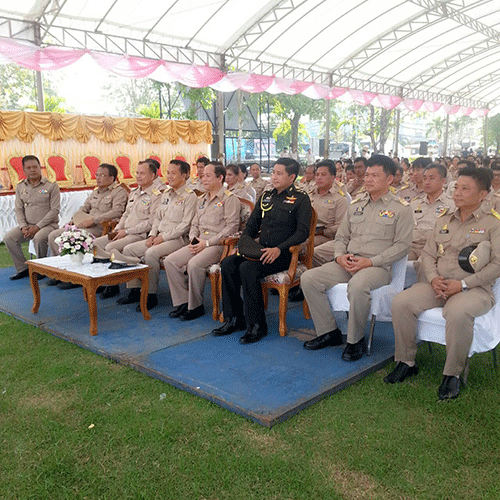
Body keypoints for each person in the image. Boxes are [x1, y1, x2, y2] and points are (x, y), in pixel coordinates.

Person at [386, 167, 500, 400]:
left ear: (482, 195)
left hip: (474, 288)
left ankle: (452, 374)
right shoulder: (443, 219)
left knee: (457, 313)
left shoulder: (493, 224)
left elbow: (497, 265)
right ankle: (406, 361)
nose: (457, 193)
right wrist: (433, 278)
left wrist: (464, 285)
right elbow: (428, 255)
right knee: (401, 302)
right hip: (437, 283)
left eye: (465, 188)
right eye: (456, 187)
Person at [300, 155, 413, 360]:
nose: (368, 179)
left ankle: (355, 340)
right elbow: (342, 236)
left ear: (389, 179)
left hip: (377, 267)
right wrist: (338, 257)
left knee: (358, 286)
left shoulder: (401, 209)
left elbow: (402, 247)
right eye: (367, 175)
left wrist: (370, 262)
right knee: (309, 278)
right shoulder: (357, 204)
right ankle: (328, 332)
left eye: (375, 176)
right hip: (348, 261)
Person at [211, 157, 312, 344]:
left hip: (283, 255)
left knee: (247, 269)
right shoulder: (266, 196)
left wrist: (278, 249)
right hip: (260, 251)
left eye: (279, 173)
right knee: (228, 263)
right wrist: (241, 247)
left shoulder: (301, 199)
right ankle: (234, 318)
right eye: (273, 172)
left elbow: (302, 233)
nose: (274, 176)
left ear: (292, 177)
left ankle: (257, 325)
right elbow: (251, 227)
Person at [117, 160, 198, 311]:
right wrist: (152, 235)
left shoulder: (190, 196)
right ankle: (135, 290)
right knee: (129, 250)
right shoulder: (166, 194)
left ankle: (150, 294)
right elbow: (157, 219)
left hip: (177, 239)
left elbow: (185, 225)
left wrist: (163, 238)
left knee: (151, 253)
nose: (169, 176)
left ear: (185, 175)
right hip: (159, 236)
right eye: (168, 173)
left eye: (174, 173)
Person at [164, 162, 241, 321]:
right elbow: (194, 223)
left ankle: (195, 306)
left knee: (194, 264)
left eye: (208, 176)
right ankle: (183, 302)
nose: (203, 179)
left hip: (217, 244)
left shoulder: (230, 199)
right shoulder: (201, 199)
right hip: (198, 241)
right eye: (202, 175)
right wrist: (193, 239)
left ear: (220, 178)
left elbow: (231, 228)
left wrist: (207, 243)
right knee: (170, 261)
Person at [46, 163, 128, 288]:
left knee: (72, 237)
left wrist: (94, 220)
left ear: (112, 178)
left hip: (100, 227)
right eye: (96, 175)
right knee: (54, 235)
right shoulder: (96, 191)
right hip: (84, 224)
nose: (98, 178)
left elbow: (117, 212)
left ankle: (76, 277)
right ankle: (62, 272)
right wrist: (74, 219)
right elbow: (84, 207)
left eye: (102, 175)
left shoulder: (119, 192)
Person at [93, 160, 162, 298]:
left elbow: (151, 222)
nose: (138, 176)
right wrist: (117, 229)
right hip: (124, 231)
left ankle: (126, 287)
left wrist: (126, 231)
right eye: (137, 173)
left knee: (112, 247)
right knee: (96, 244)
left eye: (142, 173)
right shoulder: (134, 192)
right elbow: (126, 214)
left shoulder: (156, 195)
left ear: (153, 176)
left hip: (139, 234)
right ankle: (102, 281)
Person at [4, 155, 60, 280]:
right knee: (9, 238)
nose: (32, 170)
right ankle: (23, 268)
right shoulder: (20, 187)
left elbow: (55, 210)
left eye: (35, 167)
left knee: (39, 238)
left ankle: (42, 268)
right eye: (28, 167)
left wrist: (38, 226)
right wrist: (23, 226)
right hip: (28, 225)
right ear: (24, 170)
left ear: (40, 168)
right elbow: (19, 209)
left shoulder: (51, 186)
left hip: (48, 225)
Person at [409, 163, 454, 261]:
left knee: (423, 263)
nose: (426, 182)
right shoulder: (414, 204)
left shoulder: (452, 205)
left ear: (443, 181)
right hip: (412, 246)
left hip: (435, 248)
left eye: (431, 178)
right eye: (424, 178)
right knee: (395, 261)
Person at [308, 160, 349, 267]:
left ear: (332, 178)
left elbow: (342, 226)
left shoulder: (339, 199)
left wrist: (322, 231)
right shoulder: (309, 195)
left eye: (323, 175)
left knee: (302, 246)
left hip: (326, 236)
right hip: (306, 232)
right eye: (317, 175)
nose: (319, 178)